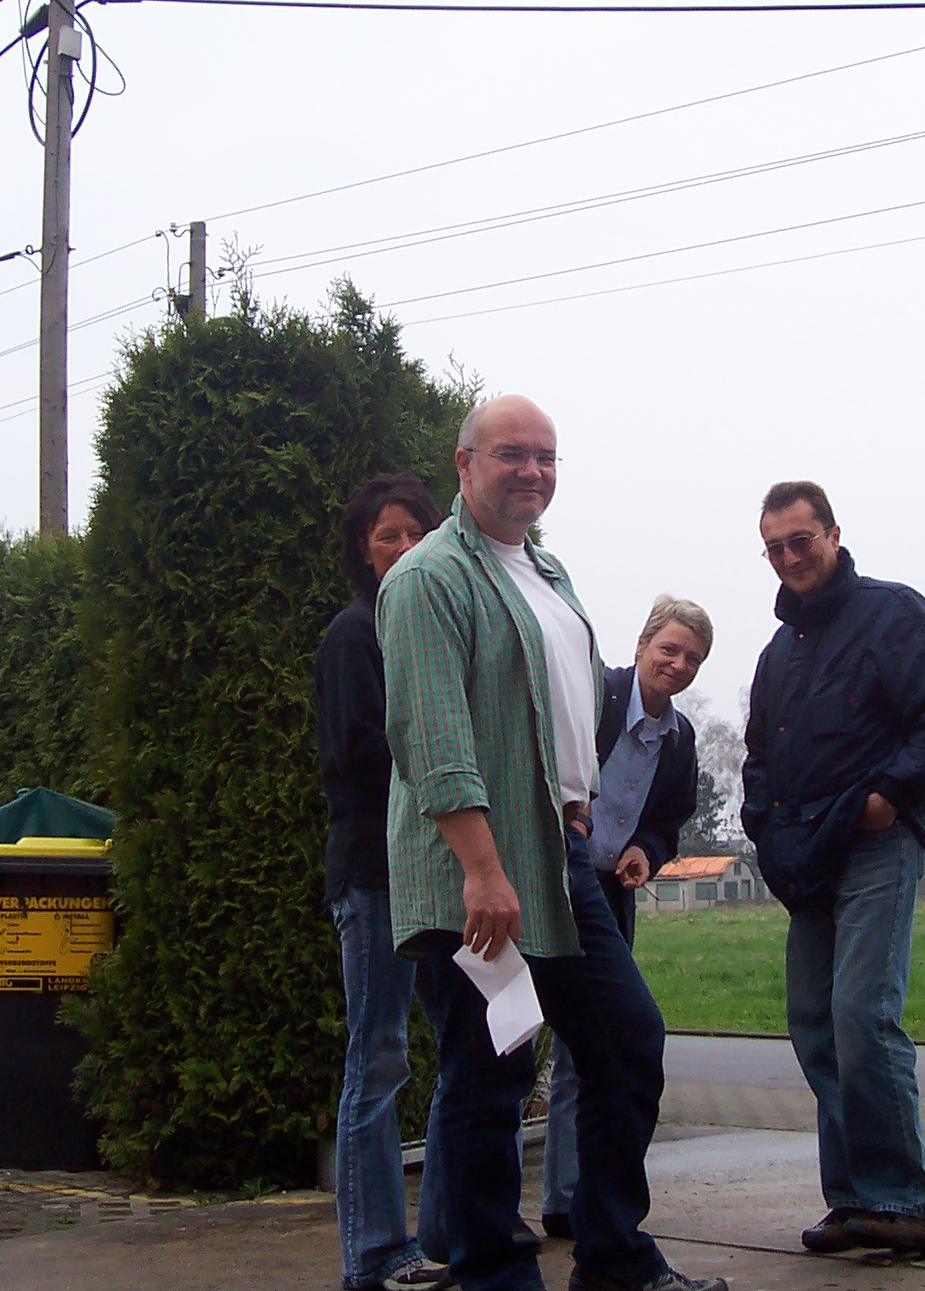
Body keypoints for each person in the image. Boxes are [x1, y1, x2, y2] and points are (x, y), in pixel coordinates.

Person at [379, 394, 727, 1291]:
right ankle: (493, 1274)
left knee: (625, 1041)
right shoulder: (427, 577)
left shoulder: (547, 570)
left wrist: (581, 818)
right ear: (465, 464)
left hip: (562, 854)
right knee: (489, 1071)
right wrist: (482, 869)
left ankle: (614, 1259)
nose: (531, 470)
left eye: (546, 456)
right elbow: (432, 735)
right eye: (511, 453)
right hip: (480, 864)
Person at [740, 480, 925, 1261]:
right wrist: (765, 832)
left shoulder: (893, 615)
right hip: (804, 861)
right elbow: (759, 757)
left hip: (875, 845)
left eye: (800, 540)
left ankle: (905, 1202)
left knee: (863, 1017)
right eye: (774, 548)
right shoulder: (778, 654)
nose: (789, 557)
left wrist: (885, 798)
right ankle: (855, 1199)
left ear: (834, 535)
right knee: (816, 1027)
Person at [541, 596, 714, 1239]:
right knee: (519, 1045)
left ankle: (569, 1202)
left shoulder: (681, 739)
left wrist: (646, 849)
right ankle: (521, 1204)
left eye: (693, 658)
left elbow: (669, 817)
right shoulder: (597, 696)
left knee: (591, 1046)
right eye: (669, 649)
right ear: (640, 646)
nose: (678, 665)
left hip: (609, 895)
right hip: (552, 880)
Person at [316, 472, 449, 1291]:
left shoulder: (432, 629)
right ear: (363, 552)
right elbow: (355, 756)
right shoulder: (353, 635)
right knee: (379, 1055)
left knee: (465, 1047)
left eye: (415, 533)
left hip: (436, 874)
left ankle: (449, 1229)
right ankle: (372, 1255)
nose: (403, 548)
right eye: (386, 535)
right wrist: (441, 756)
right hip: (374, 877)